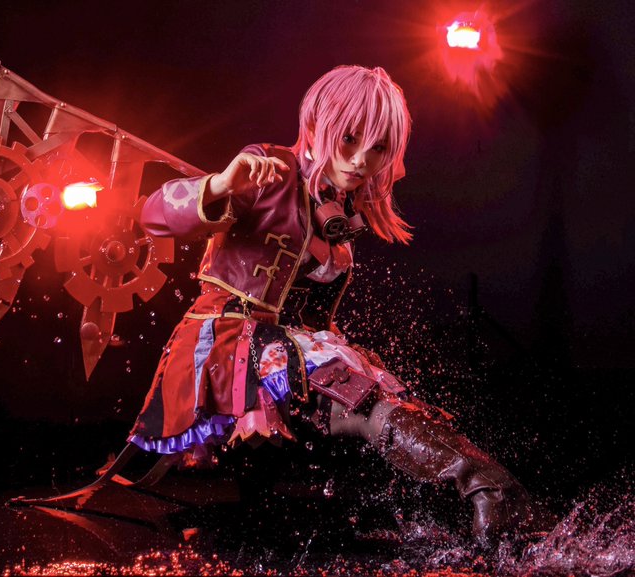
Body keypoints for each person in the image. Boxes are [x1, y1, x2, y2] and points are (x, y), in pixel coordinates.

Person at [125, 65, 536, 546]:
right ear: (318, 125)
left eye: (377, 148)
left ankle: (459, 513)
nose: (361, 160)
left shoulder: (340, 204)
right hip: (231, 339)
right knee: (360, 399)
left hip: (291, 345)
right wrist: (219, 184)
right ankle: (488, 489)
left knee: (376, 403)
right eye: (349, 139)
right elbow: (152, 215)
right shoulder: (271, 169)